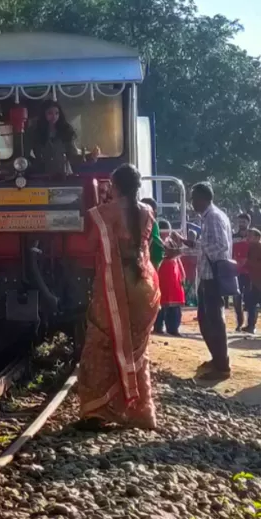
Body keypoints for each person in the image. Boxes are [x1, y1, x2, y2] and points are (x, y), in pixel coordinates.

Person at [77, 164, 160, 428]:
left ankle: (98, 411)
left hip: (116, 286)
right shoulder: (148, 212)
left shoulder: (104, 213)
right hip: (146, 285)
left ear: (116, 185)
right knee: (136, 350)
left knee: (100, 344)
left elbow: (90, 244)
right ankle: (140, 412)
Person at [189, 182, 234, 380]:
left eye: (193, 198)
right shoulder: (208, 217)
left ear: (202, 198)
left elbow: (220, 248)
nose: (191, 203)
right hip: (206, 276)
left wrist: (198, 243)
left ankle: (222, 365)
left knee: (214, 321)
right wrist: (191, 244)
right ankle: (217, 359)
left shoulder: (214, 217)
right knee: (206, 320)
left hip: (213, 278)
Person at [29, 103, 85, 175]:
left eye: (56, 113)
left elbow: (72, 155)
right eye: (50, 113)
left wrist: (86, 157)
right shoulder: (37, 132)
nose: (54, 116)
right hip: (44, 173)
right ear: (44, 114)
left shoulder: (65, 131)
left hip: (64, 173)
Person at [154, 231, 186, 335]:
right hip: (161, 275)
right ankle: (159, 327)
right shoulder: (156, 242)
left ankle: (172, 328)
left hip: (173, 275)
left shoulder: (170, 241)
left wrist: (182, 273)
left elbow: (177, 258)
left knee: (174, 304)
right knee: (160, 303)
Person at [232, 216, 253, 331]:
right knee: (237, 299)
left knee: (250, 299)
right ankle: (239, 323)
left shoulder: (252, 237)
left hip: (249, 272)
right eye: (239, 221)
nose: (241, 223)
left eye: (243, 221)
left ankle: (250, 324)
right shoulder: (233, 237)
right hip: (236, 272)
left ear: (248, 223)